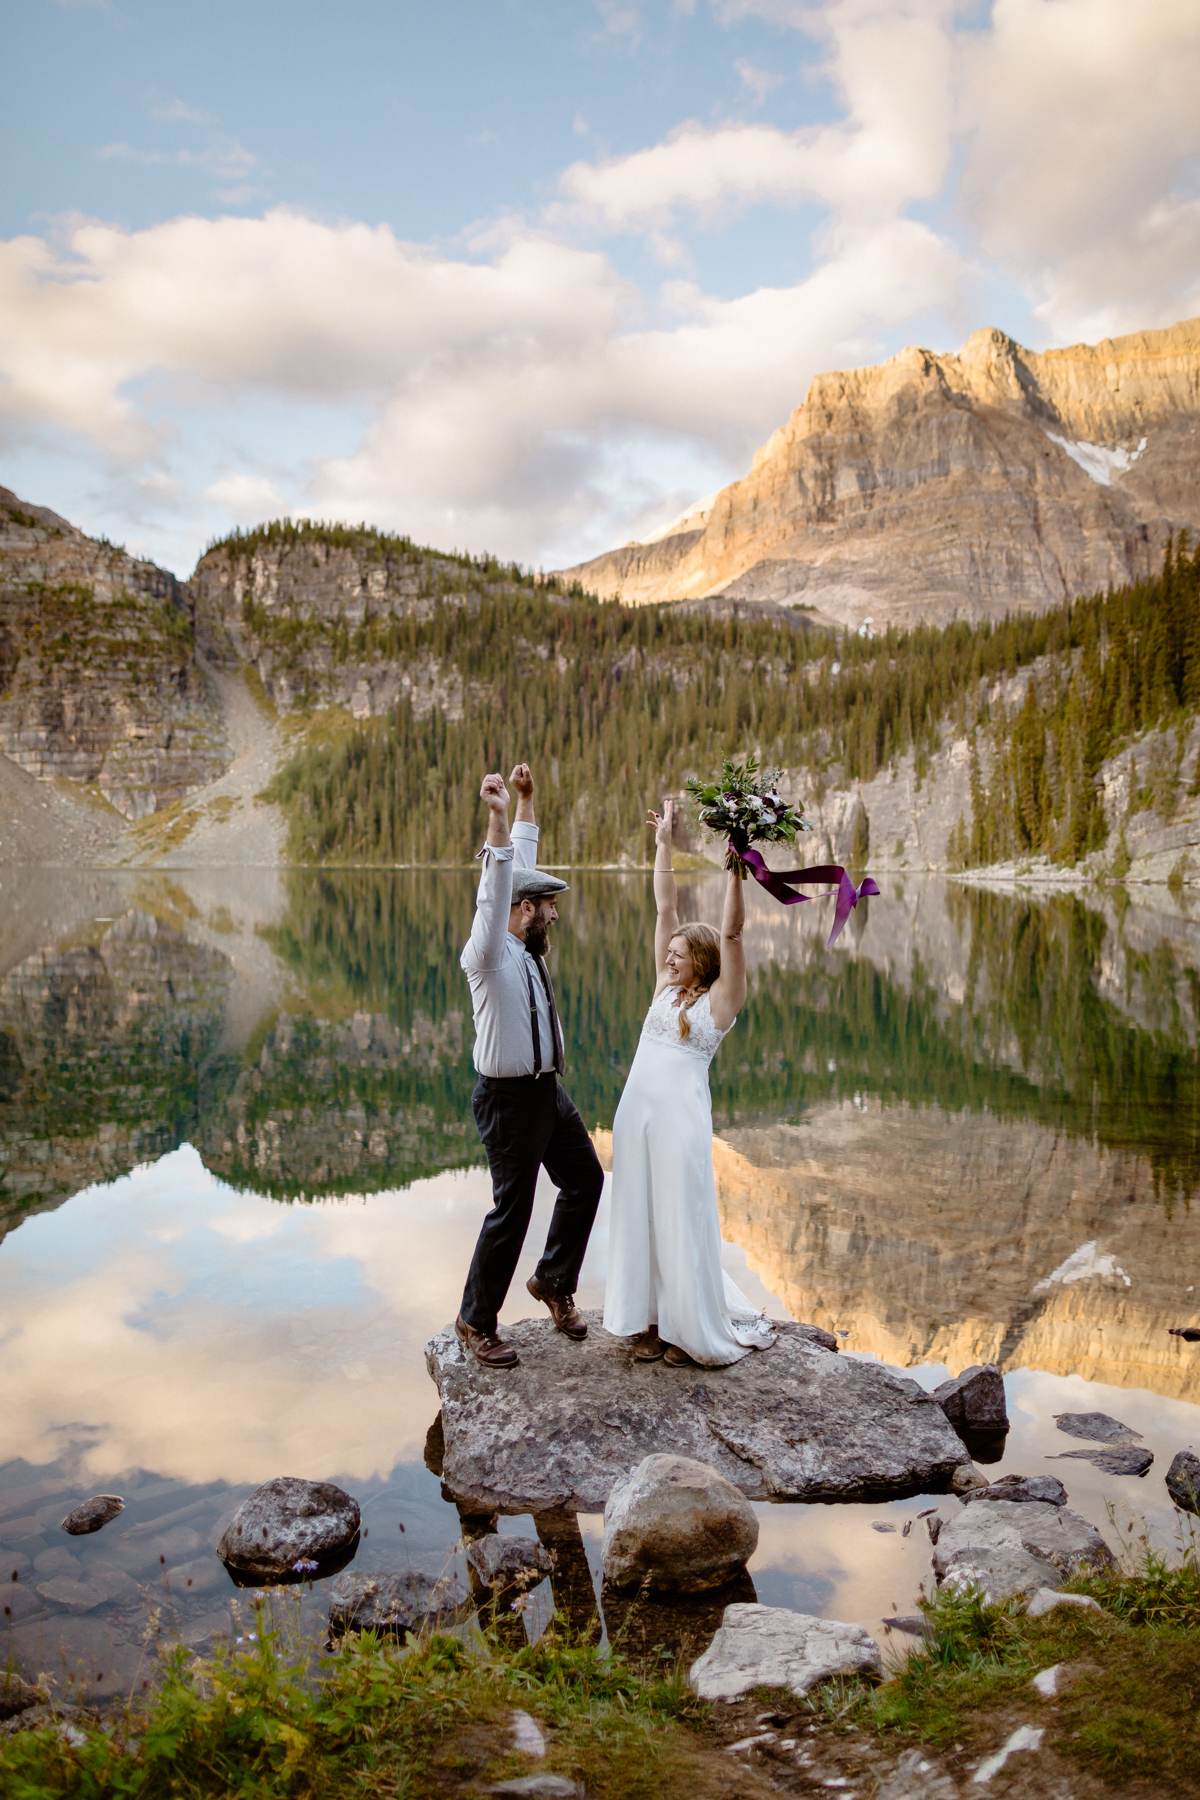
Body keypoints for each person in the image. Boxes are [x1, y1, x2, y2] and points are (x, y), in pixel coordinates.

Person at [603, 798, 776, 1367]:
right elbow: (663, 907)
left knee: (678, 1216)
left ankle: (686, 1328)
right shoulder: (663, 990)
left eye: (679, 954)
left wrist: (735, 872)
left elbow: (732, 935)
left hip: (678, 1125)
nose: (669, 957)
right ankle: (647, 1322)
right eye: (669, 953)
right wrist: (662, 847)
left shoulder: (721, 1004)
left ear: (700, 961)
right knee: (640, 1215)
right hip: (636, 1122)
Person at [456, 763, 604, 1370]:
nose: (554, 915)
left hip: (548, 1093)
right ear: (521, 911)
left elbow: (517, 868)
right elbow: (496, 888)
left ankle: (552, 1281)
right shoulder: (488, 952)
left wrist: (525, 803)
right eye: (547, 907)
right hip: (508, 1100)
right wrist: (494, 819)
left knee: (585, 1180)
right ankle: (474, 1321)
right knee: (511, 1211)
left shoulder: (527, 946)